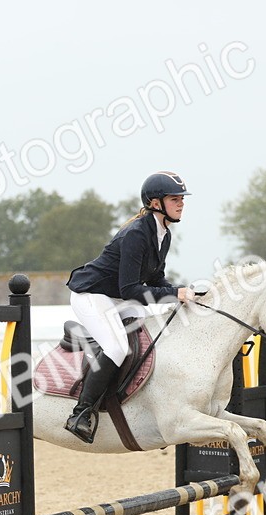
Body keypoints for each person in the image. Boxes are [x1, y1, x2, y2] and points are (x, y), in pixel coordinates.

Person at [62, 171, 196, 443]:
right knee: (117, 346)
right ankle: (80, 414)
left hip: (118, 298)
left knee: (146, 332)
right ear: (156, 203)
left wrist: (180, 293)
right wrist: (173, 293)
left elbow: (155, 279)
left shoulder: (163, 234)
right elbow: (131, 290)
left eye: (182, 198)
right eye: (175, 199)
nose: (181, 203)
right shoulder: (136, 234)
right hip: (92, 295)